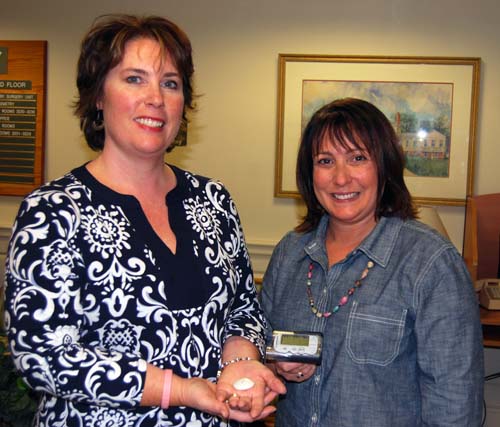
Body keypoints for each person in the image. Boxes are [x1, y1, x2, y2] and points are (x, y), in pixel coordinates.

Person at [3, 14, 285, 427]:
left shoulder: (214, 200)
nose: (156, 97)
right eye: (134, 79)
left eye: (170, 83)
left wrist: (241, 363)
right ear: (98, 96)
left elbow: (243, 306)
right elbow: (45, 356)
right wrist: (182, 390)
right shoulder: (53, 212)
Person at [260, 97, 484, 426]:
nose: (340, 178)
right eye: (325, 161)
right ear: (310, 174)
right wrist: (274, 366)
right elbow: (256, 349)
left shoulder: (431, 264)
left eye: (357, 158)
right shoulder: (289, 254)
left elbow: (456, 406)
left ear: (384, 166)